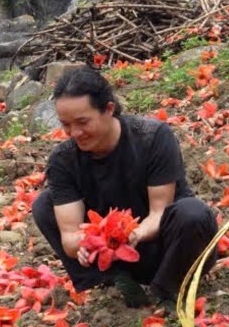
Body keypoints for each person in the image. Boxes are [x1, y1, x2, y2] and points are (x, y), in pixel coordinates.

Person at [32, 67, 217, 308]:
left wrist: (134, 233)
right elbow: (69, 235)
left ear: (109, 109)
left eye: (82, 122)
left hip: (168, 248)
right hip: (111, 256)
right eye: (66, 124)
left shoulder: (153, 137)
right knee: (44, 204)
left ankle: (168, 288)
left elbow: (159, 212)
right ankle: (110, 281)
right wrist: (86, 245)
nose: (74, 133)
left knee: (194, 213)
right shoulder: (63, 160)